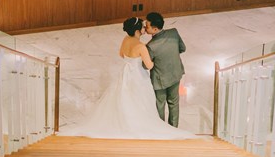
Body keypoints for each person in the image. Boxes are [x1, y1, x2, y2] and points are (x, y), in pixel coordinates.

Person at [57, 17, 198, 140]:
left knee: (126, 99)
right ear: (137, 31)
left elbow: (121, 54)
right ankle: (160, 127)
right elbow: (149, 66)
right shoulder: (141, 46)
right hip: (138, 76)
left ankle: (130, 122)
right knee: (143, 101)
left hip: (126, 74)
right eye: (143, 27)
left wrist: (132, 61)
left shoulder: (125, 39)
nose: (145, 29)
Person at [143, 11, 186, 127]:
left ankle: (161, 130)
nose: (145, 27)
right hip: (175, 74)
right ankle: (174, 129)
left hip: (159, 80)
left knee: (159, 105)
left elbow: (145, 65)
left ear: (155, 29)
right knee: (174, 104)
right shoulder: (174, 33)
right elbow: (183, 48)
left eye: (147, 26)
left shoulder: (150, 46)